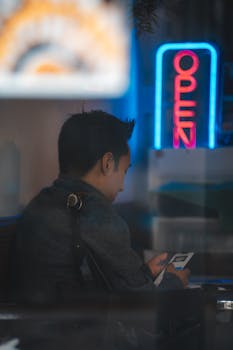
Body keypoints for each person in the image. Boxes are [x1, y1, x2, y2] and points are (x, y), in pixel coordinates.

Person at [12, 110, 189, 304]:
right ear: (107, 163)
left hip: (30, 326)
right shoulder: (98, 216)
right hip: (72, 330)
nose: (122, 186)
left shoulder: (40, 203)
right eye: (124, 171)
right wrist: (174, 281)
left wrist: (145, 272)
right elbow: (141, 304)